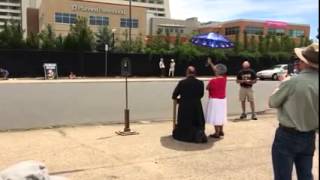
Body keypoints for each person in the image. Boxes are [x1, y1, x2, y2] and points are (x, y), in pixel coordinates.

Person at [269, 43, 319, 180]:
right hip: (309, 136)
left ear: (305, 62)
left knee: (283, 176)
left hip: (287, 135)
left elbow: (272, 102)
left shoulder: (292, 81)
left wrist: (281, 84)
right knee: (306, 175)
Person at [172, 66, 207, 143]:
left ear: (187, 73)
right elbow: (201, 95)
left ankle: (187, 136)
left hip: (184, 107)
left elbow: (174, 95)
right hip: (196, 107)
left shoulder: (182, 83)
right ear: (195, 73)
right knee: (197, 122)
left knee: (185, 123)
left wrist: (179, 100)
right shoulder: (200, 83)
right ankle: (198, 134)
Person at [205, 58, 228, 138]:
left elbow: (207, 88)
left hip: (215, 100)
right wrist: (211, 63)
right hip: (223, 100)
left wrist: (210, 63)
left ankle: (217, 133)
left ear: (217, 71)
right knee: (221, 115)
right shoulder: (225, 79)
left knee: (215, 116)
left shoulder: (213, 81)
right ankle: (221, 130)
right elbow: (215, 69)